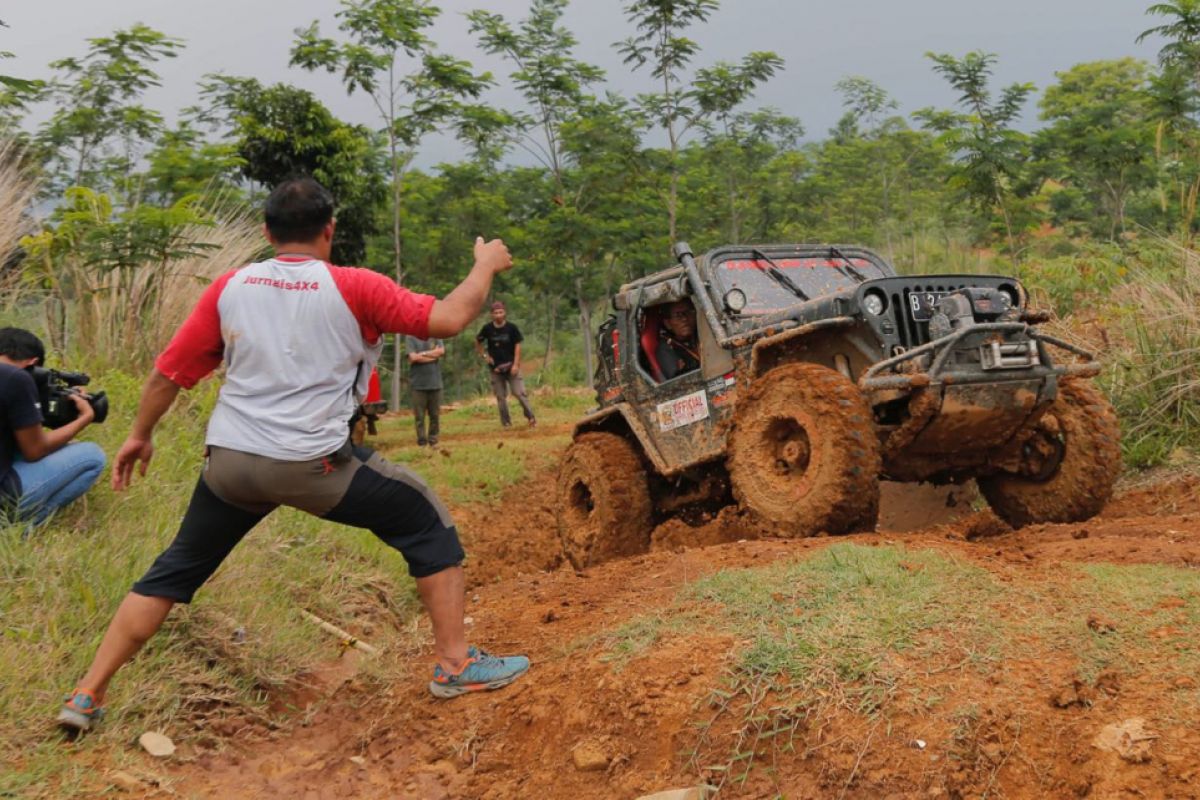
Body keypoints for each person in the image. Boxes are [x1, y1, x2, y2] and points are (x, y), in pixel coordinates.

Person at [57, 178, 528, 734]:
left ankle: (87, 693)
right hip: (312, 468)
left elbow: (168, 373)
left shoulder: (230, 287)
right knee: (423, 518)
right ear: (329, 230)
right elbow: (448, 319)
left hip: (229, 465)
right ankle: (456, 665)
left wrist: (140, 434)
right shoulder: (355, 286)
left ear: (266, 232)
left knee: (171, 572)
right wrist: (485, 265)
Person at [0, 328, 105, 529]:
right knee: (92, 456)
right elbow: (35, 450)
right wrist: (84, 418)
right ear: (33, 363)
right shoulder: (15, 378)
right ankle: (22, 528)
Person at [474, 301, 536, 428]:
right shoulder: (487, 329)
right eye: (495, 313)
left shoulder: (512, 328)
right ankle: (506, 423)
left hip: (511, 366)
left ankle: (531, 417)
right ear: (491, 315)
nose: (498, 315)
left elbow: (518, 346)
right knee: (501, 397)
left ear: (505, 313)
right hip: (495, 368)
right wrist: (485, 356)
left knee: (519, 393)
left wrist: (516, 364)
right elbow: (478, 341)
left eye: (500, 312)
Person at [406, 334, 444, 446]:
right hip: (418, 384)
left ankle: (433, 439)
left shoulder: (436, 335)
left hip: (435, 382)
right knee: (419, 416)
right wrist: (433, 355)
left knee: (435, 415)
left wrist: (421, 354)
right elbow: (412, 357)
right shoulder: (410, 337)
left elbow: (441, 351)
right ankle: (421, 441)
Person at [656, 300, 701, 381]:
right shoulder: (666, 349)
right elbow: (679, 381)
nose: (684, 318)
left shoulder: (701, 334)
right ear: (668, 323)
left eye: (687, 312)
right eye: (678, 315)